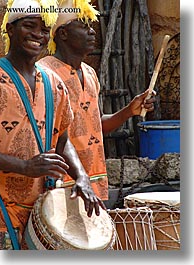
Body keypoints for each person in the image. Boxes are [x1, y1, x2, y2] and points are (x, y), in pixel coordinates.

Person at [0, 0, 105, 250]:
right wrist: (25, 166)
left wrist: (82, 176)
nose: (37, 35)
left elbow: (62, 139)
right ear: (10, 29)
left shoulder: (53, 83)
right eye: (29, 26)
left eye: (44, 30)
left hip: (41, 212)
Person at [38, 0, 156, 202]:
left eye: (91, 26)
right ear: (63, 34)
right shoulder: (44, 74)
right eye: (84, 26)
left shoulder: (90, 73)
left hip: (94, 181)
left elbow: (95, 126)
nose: (92, 32)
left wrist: (129, 111)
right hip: (62, 185)